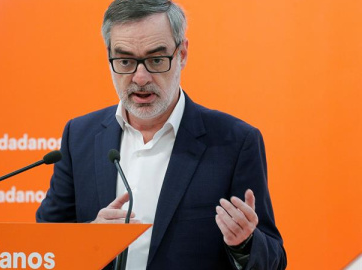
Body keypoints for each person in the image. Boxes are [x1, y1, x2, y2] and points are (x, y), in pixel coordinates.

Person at [36, 0, 287, 269]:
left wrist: (244, 243)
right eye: (125, 60)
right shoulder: (79, 136)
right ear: (108, 57)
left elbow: (274, 259)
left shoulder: (235, 142)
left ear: (182, 54)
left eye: (156, 60)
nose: (140, 77)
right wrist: (90, 236)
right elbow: (47, 243)